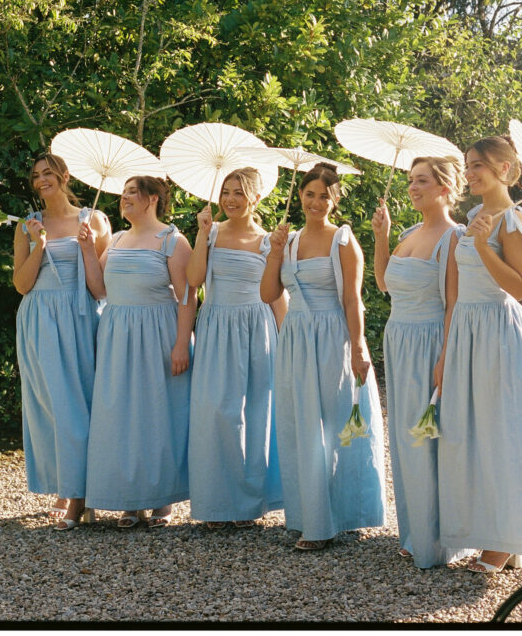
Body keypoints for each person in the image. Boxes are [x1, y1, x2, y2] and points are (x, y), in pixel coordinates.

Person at [438, 136, 522, 572]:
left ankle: (509, 539)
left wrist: (481, 247)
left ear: (504, 169)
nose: (470, 173)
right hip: (468, 331)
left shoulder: (514, 219)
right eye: (468, 165)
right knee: (476, 433)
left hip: (499, 331)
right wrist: (447, 349)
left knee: (504, 431)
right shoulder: (475, 216)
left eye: (478, 166)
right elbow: (456, 290)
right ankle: (498, 532)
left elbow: (519, 287)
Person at [260, 162, 386, 551]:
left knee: (336, 424)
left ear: (334, 200)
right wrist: (275, 253)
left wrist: (358, 348)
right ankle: (311, 516)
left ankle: (342, 515)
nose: (315, 202)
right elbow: (268, 295)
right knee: (299, 425)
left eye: (324, 196)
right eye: (309, 194)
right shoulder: (288, 240)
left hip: (333, 336)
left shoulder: (342, 240)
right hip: (295, 337)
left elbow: (352, 299)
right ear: (300, 195)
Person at [371, 156, 472, 568]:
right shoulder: (409, 233)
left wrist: (446, 356)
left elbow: (454, 303)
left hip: (429, 341)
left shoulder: (454, 237)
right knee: (404, 438)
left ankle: (436, 541)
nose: (412, 187)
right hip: (398, 340)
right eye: (411, 180)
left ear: (445, 188)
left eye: (422, 181)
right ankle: (414, 533)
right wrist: (381, 236)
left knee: (427, 440)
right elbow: (383, 283)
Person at [80, 175, 195, 529]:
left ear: (153, 198)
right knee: (121, 414)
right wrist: (87, 249)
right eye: (124, 193)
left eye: (133, 192)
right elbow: (99, 289)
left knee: (158, 414)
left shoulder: (172, 240)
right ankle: (128, 499)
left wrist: (181, 344)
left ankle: (161, 497)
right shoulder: (115, 240)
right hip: (118, 337)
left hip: (159, 335)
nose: (125, 197)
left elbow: (187, 296)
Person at [13, 152, 111, 531]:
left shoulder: (94, 219)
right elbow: (22, 285)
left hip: (79, 317)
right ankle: (63, 486)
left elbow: (100, 287)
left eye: (48, 173)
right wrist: (39, 244)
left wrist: (87, 247)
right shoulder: (27, 225)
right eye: (36, 175)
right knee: (48, 406)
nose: (42, 180)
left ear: (65, 176)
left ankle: (81, 494)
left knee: (78, 405)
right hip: (39, 319)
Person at [186, 168, 287, 530]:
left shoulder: (267, 241)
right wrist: (201, 235)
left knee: (255, 413)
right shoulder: (211, 232)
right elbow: (194, 279)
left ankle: (248, 504)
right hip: (216, 327)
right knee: (215, 412)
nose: (230, 199)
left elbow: (277, 297)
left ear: (256, 198)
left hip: (255, 329)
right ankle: (215, 501)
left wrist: (287, 343)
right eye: (226, 192)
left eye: (239, 193)